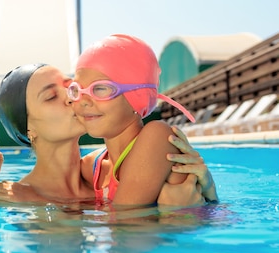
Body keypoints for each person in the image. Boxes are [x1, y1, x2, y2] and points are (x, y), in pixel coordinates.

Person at [0, 63, 217, 208]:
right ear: (29, 129)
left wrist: (209, 192)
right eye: (50, 97)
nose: (71, 98)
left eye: (71, 88)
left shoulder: (108, 169)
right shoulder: (16, 197)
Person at [70, 34, 217, 206]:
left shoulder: (158, 136)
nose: (84, 100)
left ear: (137, 96)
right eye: (76, 90)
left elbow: (126, 226)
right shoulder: (92, 166)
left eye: (100, 88)